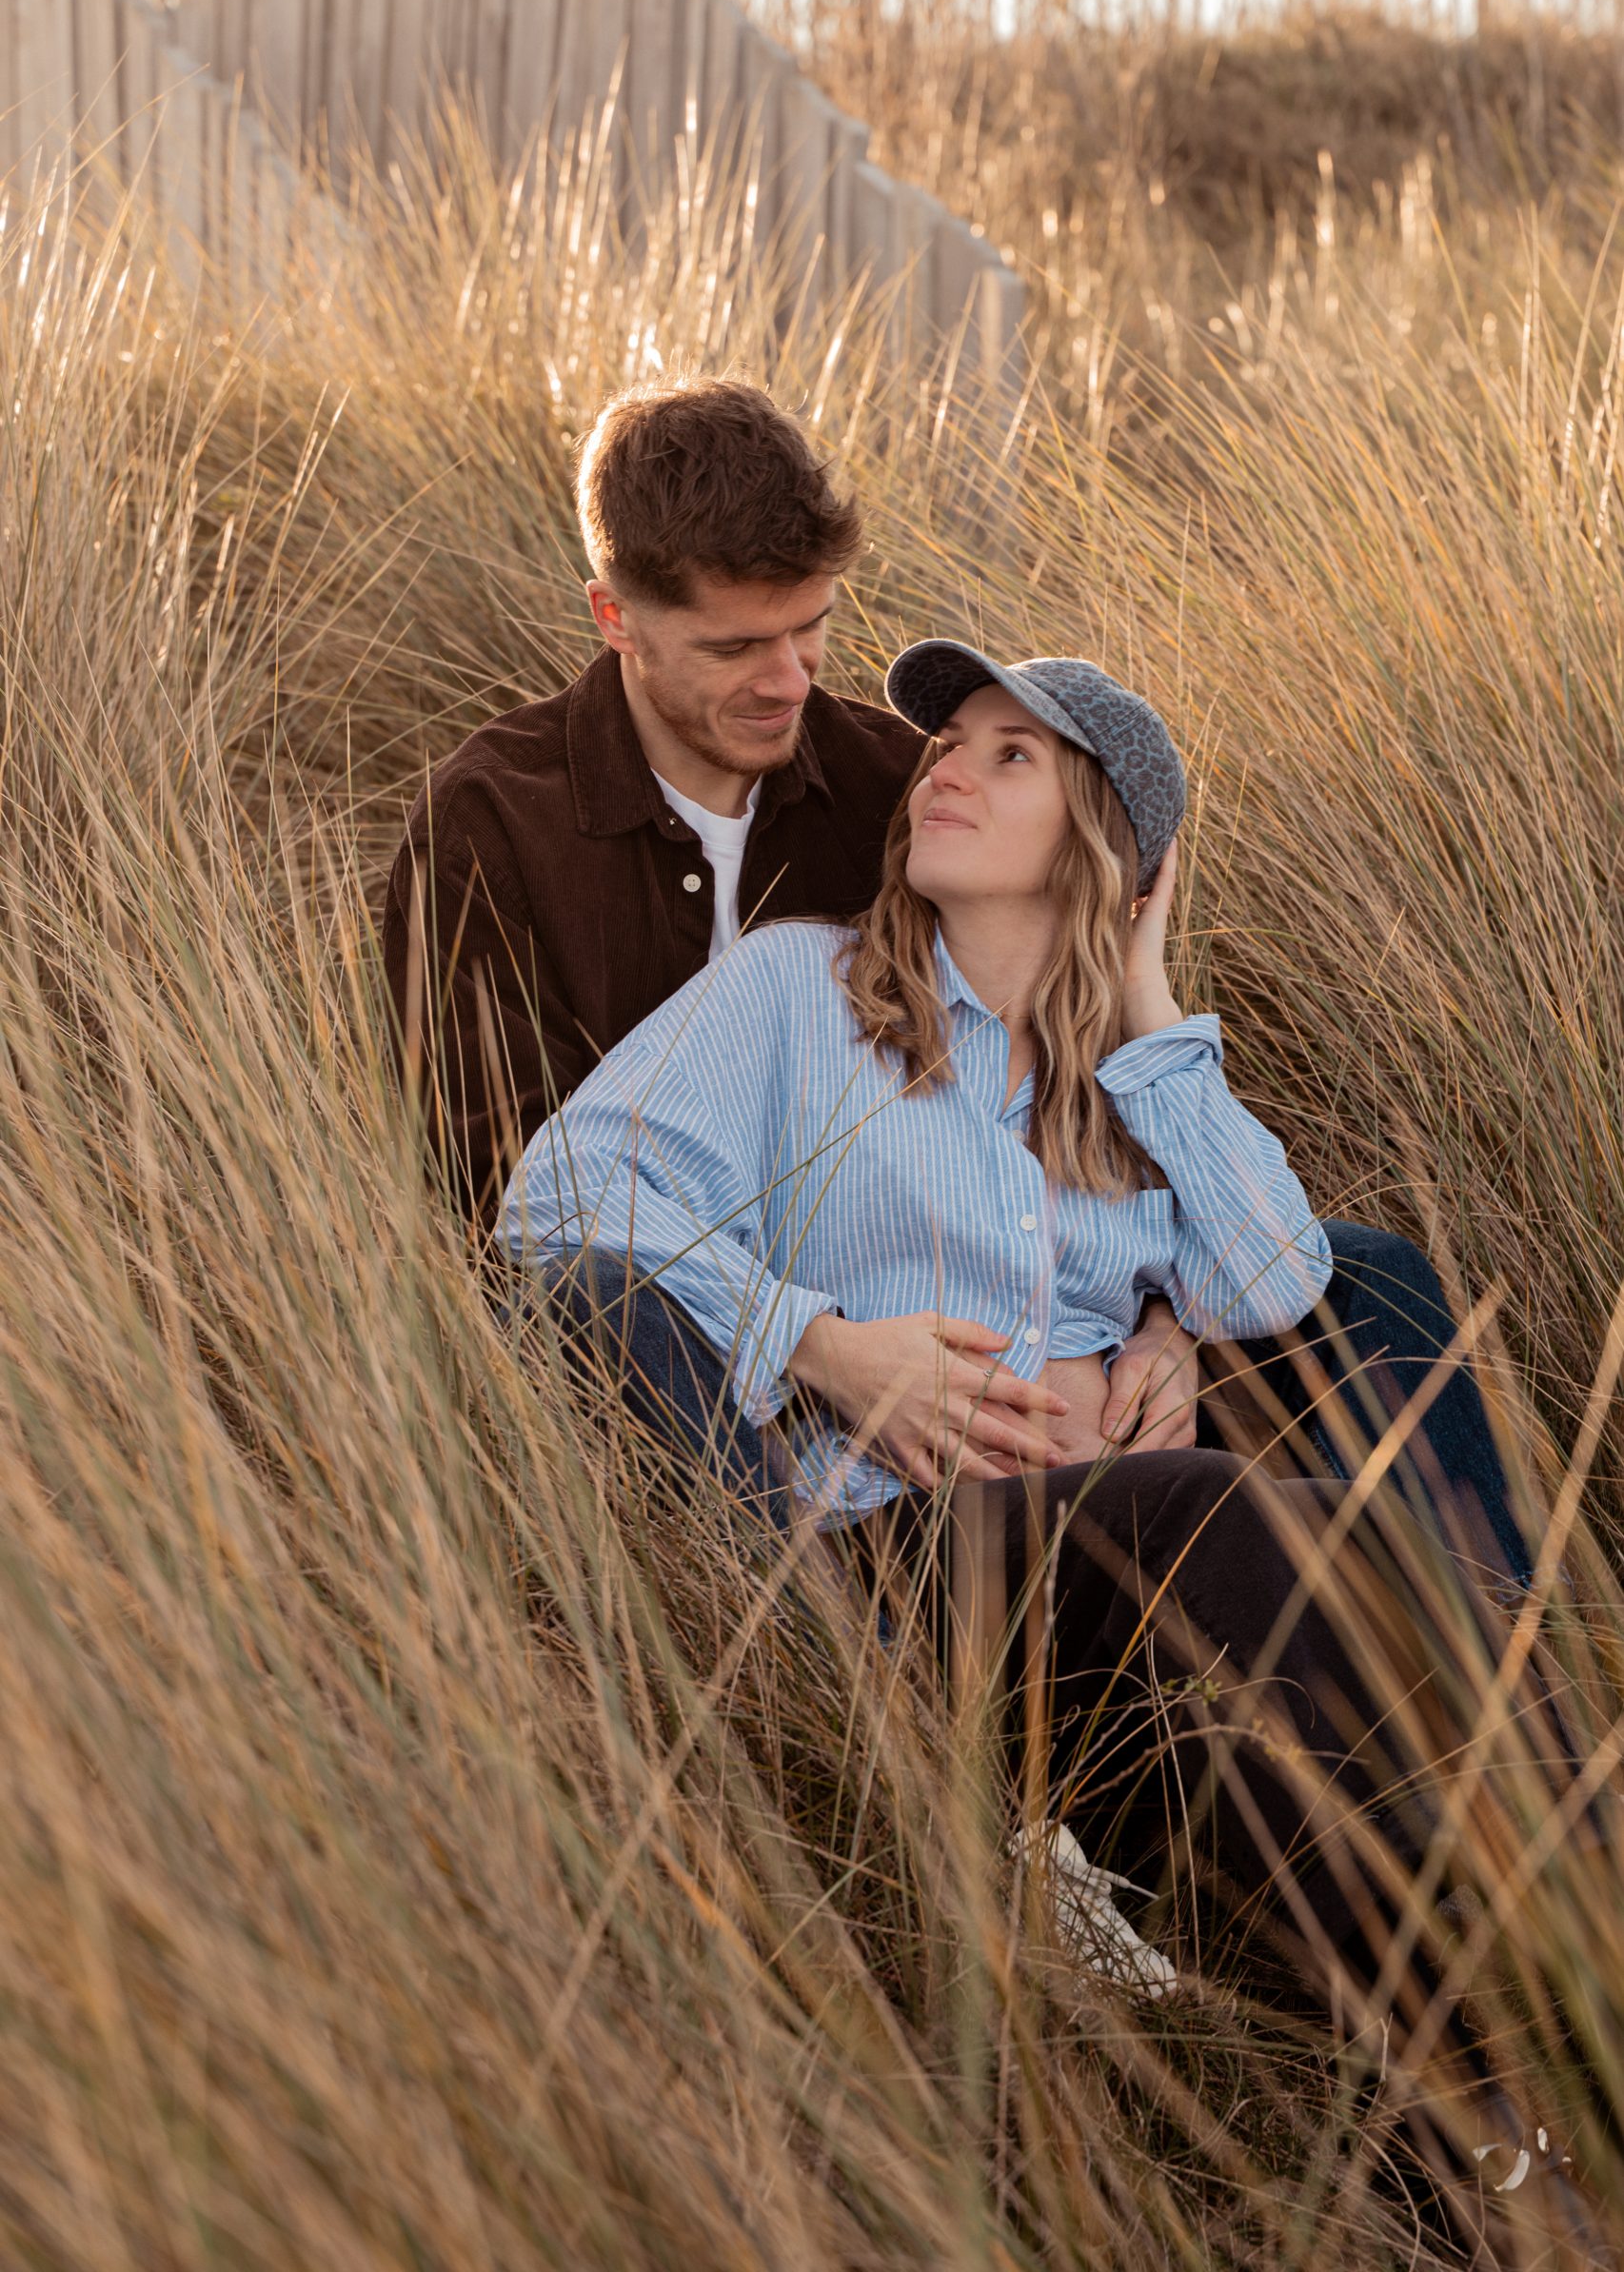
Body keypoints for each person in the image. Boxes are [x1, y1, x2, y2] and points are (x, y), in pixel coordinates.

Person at [495, 647, 1592, 2238]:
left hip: (1099, 1580)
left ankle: (1467, 2127)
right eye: (950, 740)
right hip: (887, 1562)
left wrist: (1148, 1026)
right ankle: (1550, 1962)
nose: (944, 764)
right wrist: (824, 1341)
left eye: (1012, 756)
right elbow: (561, 1202)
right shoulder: (799, 993)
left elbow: (1273, 1283)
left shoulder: (1126, 1082)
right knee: (1235, 1513)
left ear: (1106, 849)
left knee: (1340, 1465)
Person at [382, 376, 1536, 1590]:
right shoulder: (491, 825)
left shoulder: (898, 779)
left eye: (809, 627)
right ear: (615, 618)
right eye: (733, 646)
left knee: (1361, 1280)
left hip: (974, 1310)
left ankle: (1509, 1644)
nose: (788, 679)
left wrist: (1164, 1322)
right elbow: (505, 1198)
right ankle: (809, 1646)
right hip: (694, 1337)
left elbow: (1063, 1021)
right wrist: (824, 1344)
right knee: (597, 1292)